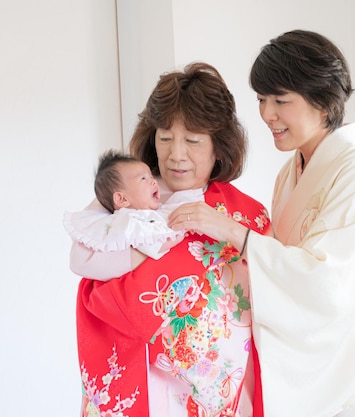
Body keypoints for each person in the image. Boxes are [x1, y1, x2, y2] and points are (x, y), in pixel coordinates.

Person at [167, 30, 355, 417]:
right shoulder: (291, 174)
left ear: (323, 103)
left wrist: (233, 232)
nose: (267, 114)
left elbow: (327, 284)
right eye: (261, 99)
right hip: (328, 354)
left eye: (280, 100)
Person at [70, 62, 271, 417]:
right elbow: (86, 264)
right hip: (139, 373)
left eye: (192, 141)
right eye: (165, 137)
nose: (176, 154)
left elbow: (265, 304)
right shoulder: (125, 195)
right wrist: (142, 259)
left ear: (219, 147)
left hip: (214, 390)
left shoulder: (243, 215)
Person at [64, 149, 196, 260]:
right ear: (122, 199)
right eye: (143, 178)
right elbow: (151, 245)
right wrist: (180, 235)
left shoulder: (154, 209)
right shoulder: (129, 221)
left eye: (151, 176)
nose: (154, 182)